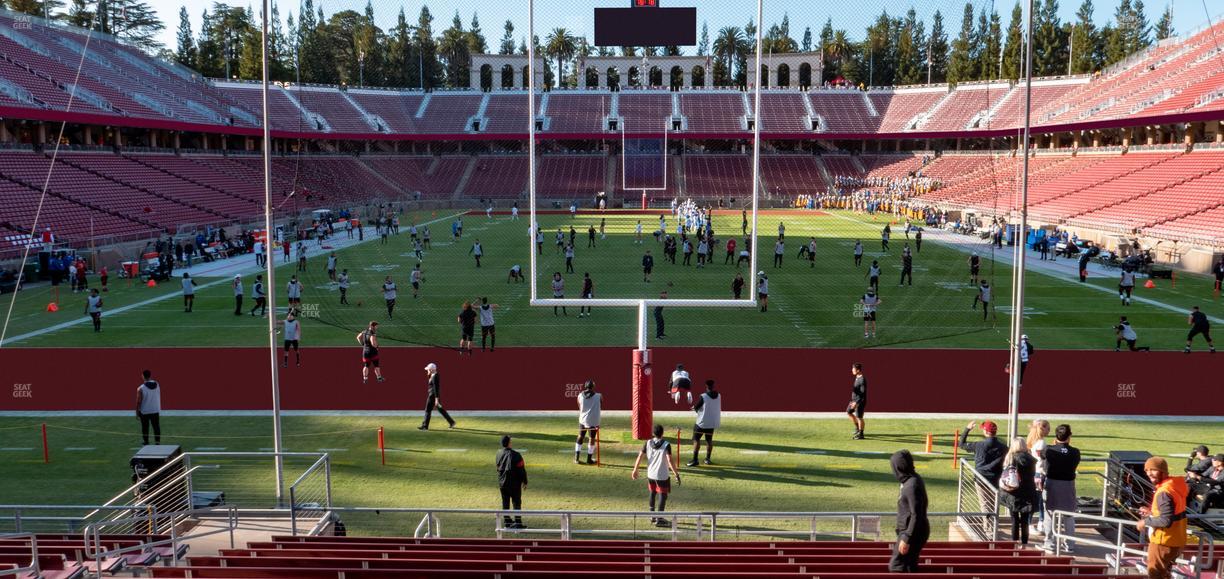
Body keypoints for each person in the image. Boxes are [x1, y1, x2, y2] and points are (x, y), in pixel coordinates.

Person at [1137, 456, 1189, 579]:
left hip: (1163, 542)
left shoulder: (1164, 492)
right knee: (1165, 575)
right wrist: (1151, 513)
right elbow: (1173, 514)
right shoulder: (1174, 486)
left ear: (1163, 471)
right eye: (1147, 470)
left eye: (1153, 470)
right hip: (1177, 540)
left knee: (1155, 575)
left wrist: (1145, 522)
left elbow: (1165, 521)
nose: (1149, 473)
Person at [631, 423, 682, 527]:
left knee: (652, 493)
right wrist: (676, 474)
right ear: (662, 433)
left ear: (653, 433)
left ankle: (652, 515)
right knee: (663, 495)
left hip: (651, 474)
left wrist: (635, 469)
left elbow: (640, 456)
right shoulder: (666, 444)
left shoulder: (648, 442)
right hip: (662, 475)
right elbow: (669, 460)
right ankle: (660, 519)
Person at [1043, 424, 1081, 553]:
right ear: (1069, 436)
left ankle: (1049, 543)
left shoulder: (1049, 449)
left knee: (1050, 514)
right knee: (1069, 515)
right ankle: (1070, 544)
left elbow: (1041, 456)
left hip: (1052, 484)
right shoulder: (1075, 452)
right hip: (1068, 485)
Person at [890, 449, 929, 573]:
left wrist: (907, 538)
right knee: (908, 566)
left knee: (897, 566)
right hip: (912, 530)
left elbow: (916, 513)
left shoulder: (911, 485)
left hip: (912, 531)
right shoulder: (911, 480)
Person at [1001, 437, 1037, 545]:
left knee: (1014, 519)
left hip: (1014, 492)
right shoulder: (1031, 459)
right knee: (1025, 521)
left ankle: (1015, 544)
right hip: (1028, 491)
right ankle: (1024, 544)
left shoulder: (1011, 458)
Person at [685, 380, 722, 467]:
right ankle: (707, 459)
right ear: (713, 386)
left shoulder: (703, 396)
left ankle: (695, 460)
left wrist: (694, 408)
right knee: (709, 440)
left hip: (702, 423)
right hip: (712, 422)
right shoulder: (719, 395)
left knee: (696, 439)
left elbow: (697, 407)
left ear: (706, 386)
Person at [495, 435, 528, 529]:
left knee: (505, 502)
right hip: (514, 484)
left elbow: (498, 467)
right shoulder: (516, 455)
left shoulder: (498, 453)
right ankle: (518, 523)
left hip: (502, 483)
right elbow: (521, 470)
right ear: (509, 443)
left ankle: (507, 521)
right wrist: (525, 481)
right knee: (516, 502)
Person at [1026, 419, 1051, 535]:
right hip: (1040, 473)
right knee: (1039, 500)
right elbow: (1042, 458)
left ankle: (1038, 522)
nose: (1049, 430)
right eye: (1048, 428)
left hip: (1035, 473)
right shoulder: (1041, 442)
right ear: (1042, 429)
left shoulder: (1033, 440)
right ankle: (1034, 523)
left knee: (1037, 499)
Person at [420, 362, 455, 430]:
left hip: (432, 395)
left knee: (427, 410)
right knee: (440, 409)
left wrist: (436, 399)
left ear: (431, 369)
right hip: (433, 395)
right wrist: (429, 375)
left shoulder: (435, 376)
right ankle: (452, 422)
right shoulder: (433, 375)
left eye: (428, 369)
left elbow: (436, 388)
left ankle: (425, 426)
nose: (427, 370)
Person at [575, 380, 601, 465]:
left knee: (580, 436)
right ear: (593, 387)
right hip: (594, 421)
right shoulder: (599, 396)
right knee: (592, 438)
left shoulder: (580, 395)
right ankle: (589, 460)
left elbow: (579, 406)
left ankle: (576, 459)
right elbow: (601, 404)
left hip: (583, 420)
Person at [135, 370, 162, 445]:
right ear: (150, 376)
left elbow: (138, 402)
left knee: (145, 427)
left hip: (145, 411)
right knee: (156, 426)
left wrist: (137, 412)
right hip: (155, 409)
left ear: (143, 376)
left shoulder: (140, 388)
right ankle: (157, 442)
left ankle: (146, 441)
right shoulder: (157, 384)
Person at [847, 363, 867, 440]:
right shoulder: (857, 377)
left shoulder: (862, 380)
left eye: (853, 369)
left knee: (859, 417)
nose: (852, 370)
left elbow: (862, 393)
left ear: (858, 370)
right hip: (854, 400)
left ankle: (861, 434)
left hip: (860, 401)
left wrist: (856, 402)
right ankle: (857, 428)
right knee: (849, 412)